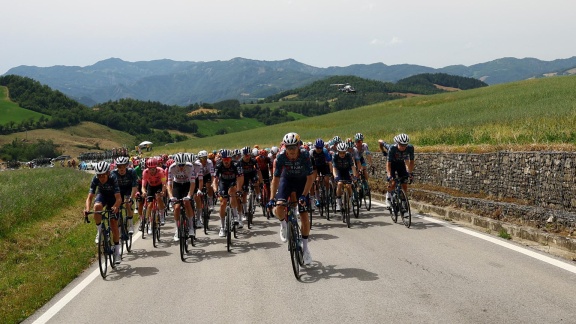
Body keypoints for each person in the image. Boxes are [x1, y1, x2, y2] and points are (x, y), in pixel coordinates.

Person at [269, 132, 315, 265]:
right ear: (285, 148)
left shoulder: (305, 155)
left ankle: (306, 249)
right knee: (278, 207)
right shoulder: (281, 157)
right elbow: (276, 178)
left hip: (302, 182)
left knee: (304, 216)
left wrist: (304, 195)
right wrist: (272, 197)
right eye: (288, 148)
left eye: (294, 148)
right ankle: (283, 224)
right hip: (286, 180)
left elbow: (310, 178)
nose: (291, 152)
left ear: (298, 146)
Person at [84, 161, 122, 264]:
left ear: (108, 173)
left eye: (103, 175)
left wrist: (115, 206)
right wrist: (87, 209)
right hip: (102, 195)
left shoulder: (113, 178)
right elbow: (90, 197)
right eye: (99, 175)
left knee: (113, 223)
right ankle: (99, 231)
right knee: (97, 207)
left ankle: (117, 252)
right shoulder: (95, 179)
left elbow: (119, 198)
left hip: (113, 198)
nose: (101, 178)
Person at [167, 153, 199, 241]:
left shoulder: (190, 167)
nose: (181, 167)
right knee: (176, 207)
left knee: (187, 203)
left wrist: (189, 195)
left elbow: (193, 183)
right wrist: (171, 197)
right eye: (179, 165)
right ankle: (177, 229)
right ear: (176, 163)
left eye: (183, 165)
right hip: (177, 185)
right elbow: (169, 184)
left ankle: (191, 227)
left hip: (187, 184)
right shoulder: (172, 168)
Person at [212, 149, 244, 237]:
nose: (226, 161)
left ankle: (235, 216)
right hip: (223, 183)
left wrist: (239, 189)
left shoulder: (236, 164)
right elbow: (215, 180)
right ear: (222, 159)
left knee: (233, 192)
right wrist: (215, 190)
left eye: (228, 159)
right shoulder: (218, 165)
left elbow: (240, 178)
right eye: (224, 159)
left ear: (231, 159)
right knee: (223, 203)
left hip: (233, 182)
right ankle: (222, 227)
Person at [385, 133, 415, 208]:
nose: (403, 147)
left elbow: (411, 162)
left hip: (401, 163)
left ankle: (404, 200)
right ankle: (388, 196)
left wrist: (410, 173)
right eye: (401, 145)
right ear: (397, 143)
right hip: (392, 164)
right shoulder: (392, 148)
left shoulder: (410, 148)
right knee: (393, 183)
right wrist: (389, 175)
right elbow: (388, 164)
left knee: (404, 184)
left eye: (405, 145)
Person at [112, 156, 138, 234]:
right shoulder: (114, 173)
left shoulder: (131, 171)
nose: (121, 168)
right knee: (117, 207)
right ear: (117, 166)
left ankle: (130, 224)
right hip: (119, 190)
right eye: (119, 166)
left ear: (126, 165)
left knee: (127, 204)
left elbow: (134, 186)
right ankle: (119, 226)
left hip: (128, 189)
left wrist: (131, 198)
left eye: (123, 166)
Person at [141, 157, 167, 234]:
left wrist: (163, 191)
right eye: (150, 168)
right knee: (149, 205)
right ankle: (149, 223)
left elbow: (164, 184)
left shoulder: (161, 171)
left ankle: (162, 215)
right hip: (151, 186)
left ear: (156, 167)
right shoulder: (145, 172)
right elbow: (143, 185)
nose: (151, 170)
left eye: (153, 168)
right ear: (147, 168)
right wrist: (144, 192)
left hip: (159, 186)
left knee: (158, 198)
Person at [239, 146, 262, 228]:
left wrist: (261, 182)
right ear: (242, 155)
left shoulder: (253, 160)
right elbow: (238, 176)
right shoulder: (240, 162)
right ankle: (245, 212)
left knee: (256, 182)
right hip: (243, 176)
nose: (247, 157)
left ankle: (258, 196)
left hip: (252, 174)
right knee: (244, 194)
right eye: (245, 155)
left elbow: (258, 171)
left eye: (248, 155)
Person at [332, 142, 358, 214]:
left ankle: (350, 201)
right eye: (341, 153)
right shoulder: (335, 156)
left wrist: (355, 176)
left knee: (348, 186)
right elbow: (334, 168)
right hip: (339, 171)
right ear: (338, 152)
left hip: (347, 171)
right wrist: (335, 176)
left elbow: (353, 167)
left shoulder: (349, 155)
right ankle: (338, 202)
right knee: (339, 184)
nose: (342, 154)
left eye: (344, 153)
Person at [310, 138, 333, 207]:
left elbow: (329, 162)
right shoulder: (311, 152)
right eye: (317, 147)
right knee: (316, 181)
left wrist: (331, 172)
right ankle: (317, 199)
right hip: (315, 167)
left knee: (326, 179)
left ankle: (327, 193)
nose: (319, 149)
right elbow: (308, 164)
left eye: (320, 148)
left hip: (324, 166)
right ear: (315, 147)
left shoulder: (325, 151)